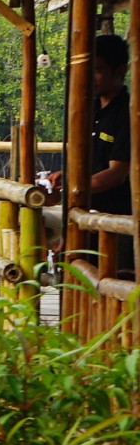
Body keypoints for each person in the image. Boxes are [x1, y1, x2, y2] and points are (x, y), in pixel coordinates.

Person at [49, 31, 132, 273]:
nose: (90, 77)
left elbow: (117, 173)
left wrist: (74, 187)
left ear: (120, 71)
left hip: (119, 222)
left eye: (97, 70)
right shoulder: (89, 110)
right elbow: (91, 162)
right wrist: (67, 175)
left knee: (116, 286)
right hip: (87, 216)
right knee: (83, 278)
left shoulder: (127, 113)